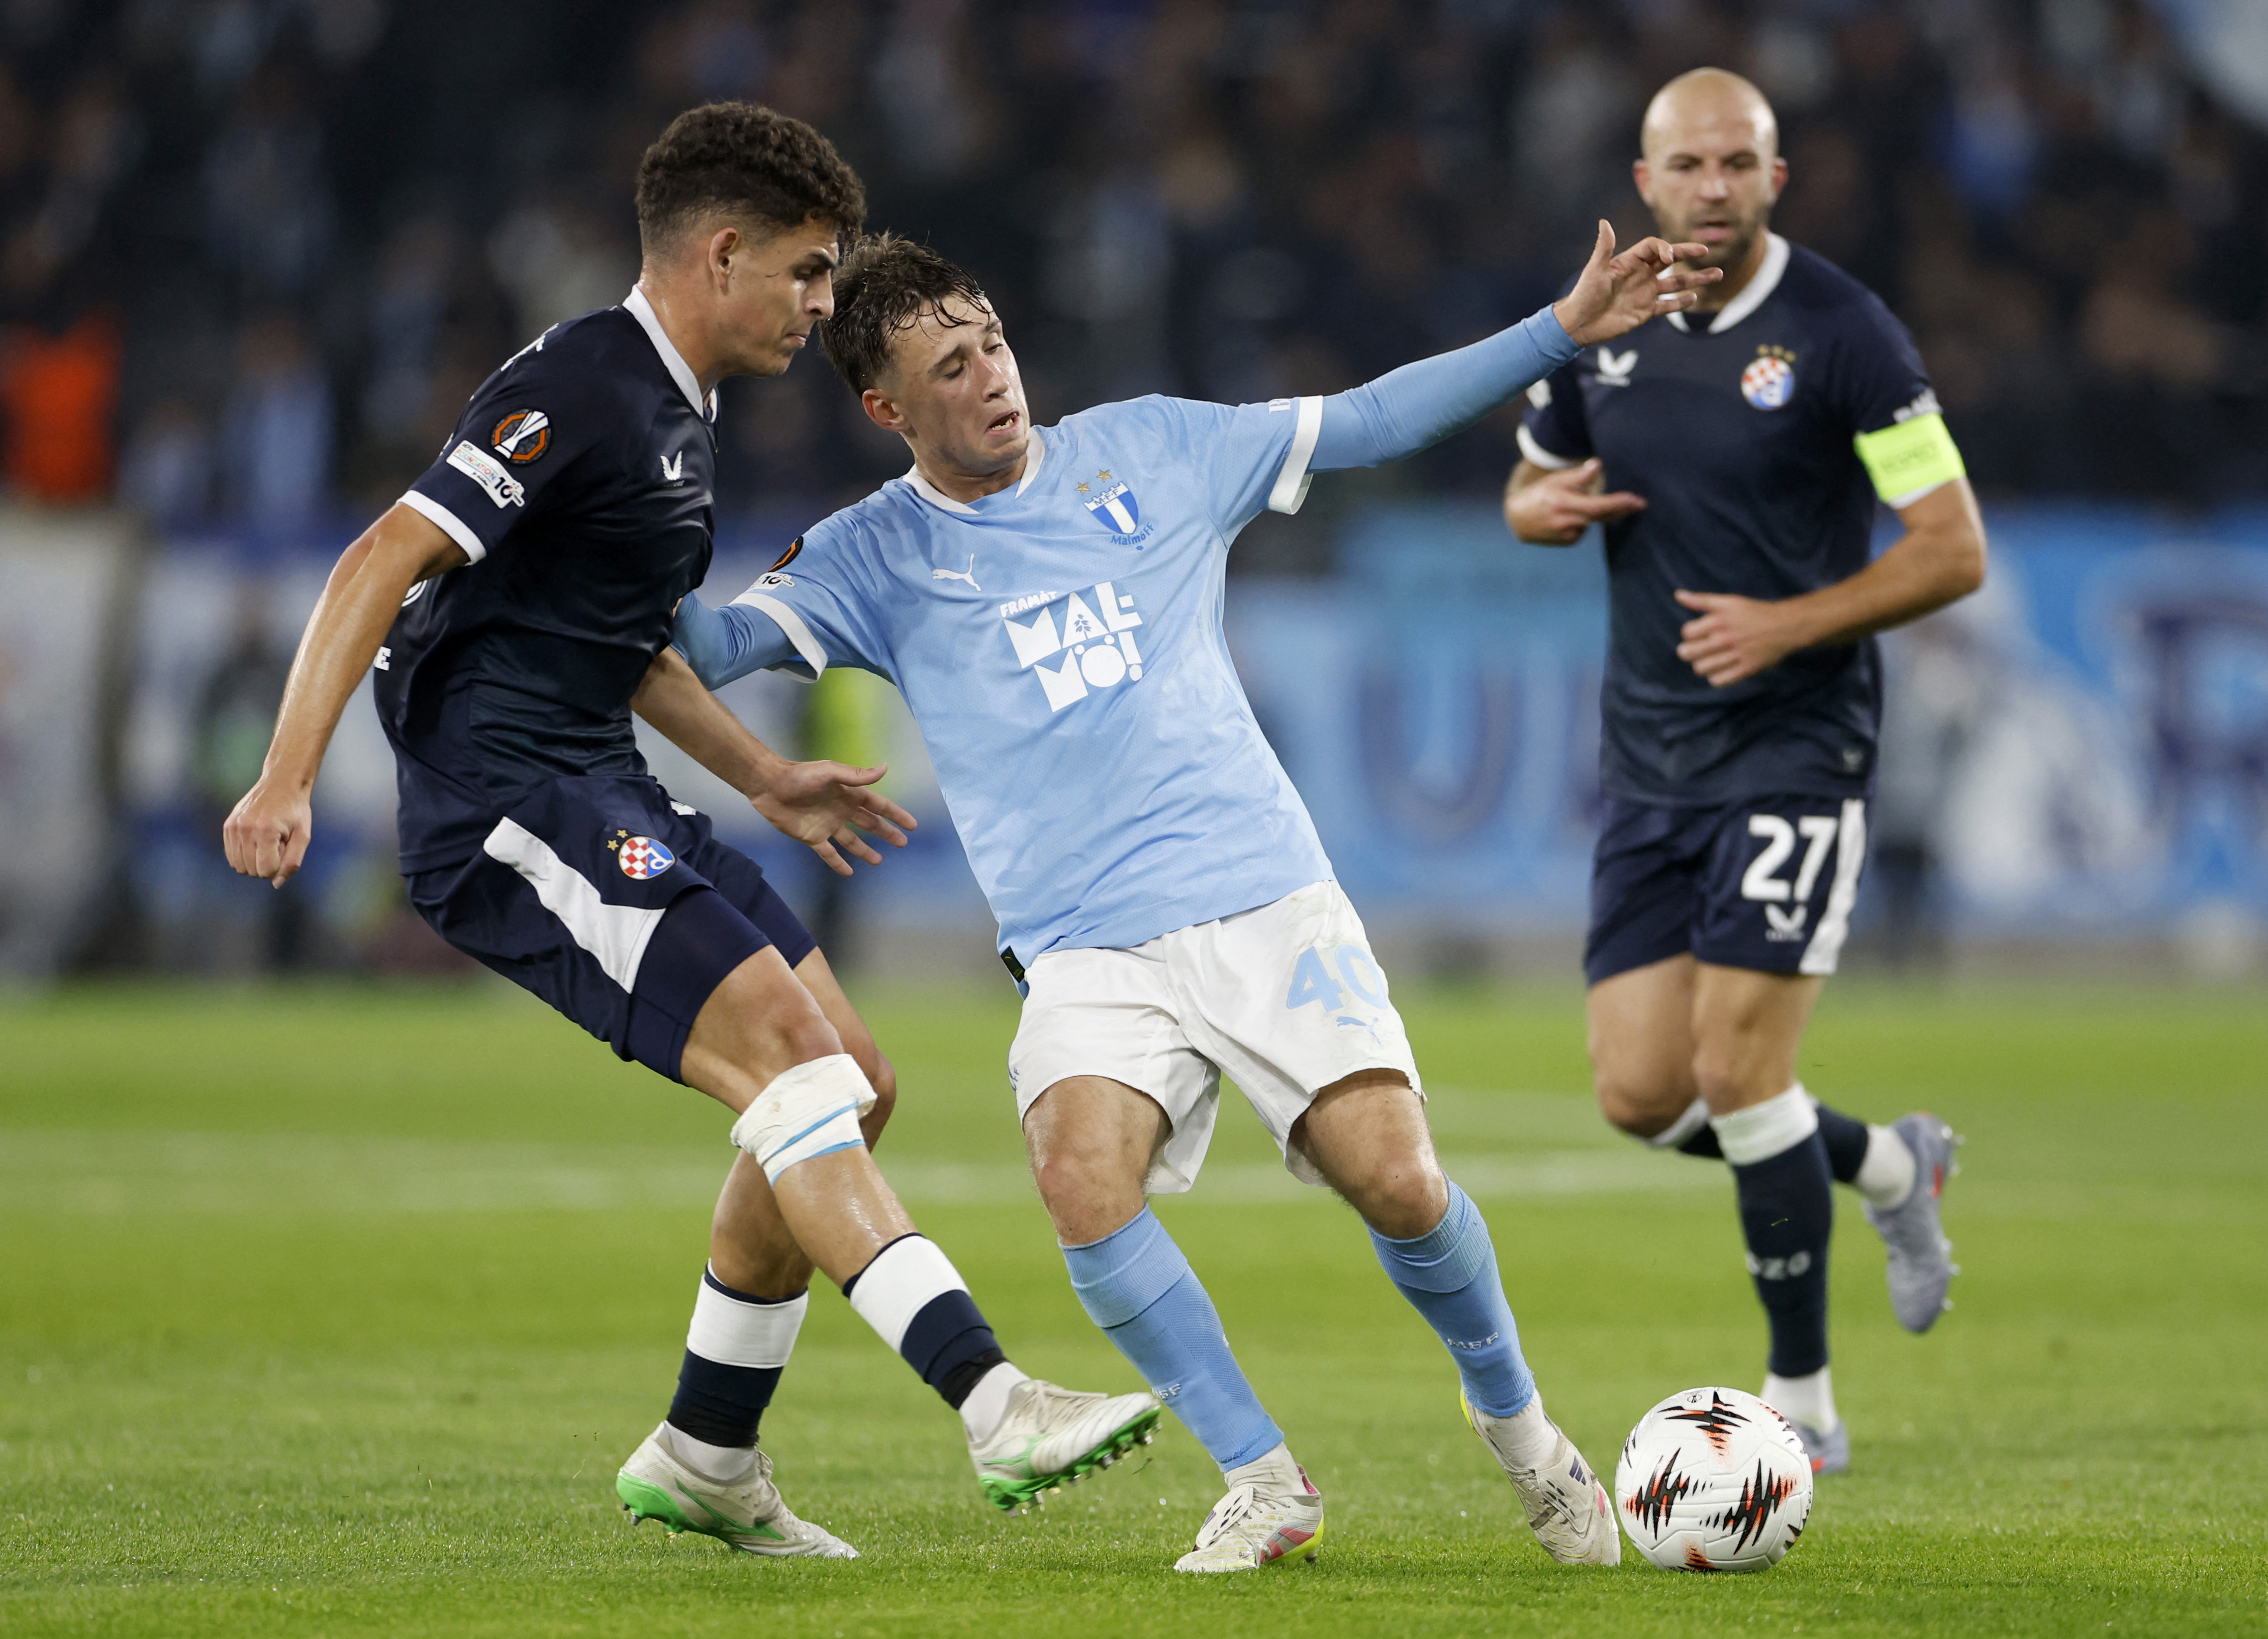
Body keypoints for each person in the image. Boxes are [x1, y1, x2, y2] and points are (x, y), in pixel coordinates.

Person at [668, 225, 1719, 1573]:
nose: (992, 375)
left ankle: (1521, 1431)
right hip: (1082, 951)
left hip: (1262, 897)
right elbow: (703, 642)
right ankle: (1262, 1476)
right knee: (1079, 1179)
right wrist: (611, 515)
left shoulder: (1152, 447)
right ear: (885, 407)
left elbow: (1371, 418)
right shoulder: (871, 556)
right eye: (949, 365)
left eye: (990, 339)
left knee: (1398, 1184)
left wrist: (1561, 328)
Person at [219, 102, 1159, 1559]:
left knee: (851, 1072)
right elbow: (383, 554)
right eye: (805, 273)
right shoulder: (583, 383)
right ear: (720, 255)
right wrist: (288, 776)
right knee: (791, 1068)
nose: (823, 306)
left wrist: (765, 778)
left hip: (599, 778)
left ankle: (710, 1450)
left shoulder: (679, 408)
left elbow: (626, 636)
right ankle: (991, 1397)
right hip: (505, 805)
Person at [1503, 68, 1984, 1474]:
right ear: (1643, 183)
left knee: (1741, 1066)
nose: (1713, 189)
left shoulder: (1848, 337)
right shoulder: (1603, 326)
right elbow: (1533, 482)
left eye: (1739, 165)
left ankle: (1807, 1410)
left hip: (1797, 748)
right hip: (1649, 755)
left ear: (1779, 178)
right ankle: (1891, 1167)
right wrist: (1543, 510)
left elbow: (1952, 547)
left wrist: (1790, 621)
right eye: (1687, 167)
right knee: (1643, 1094)